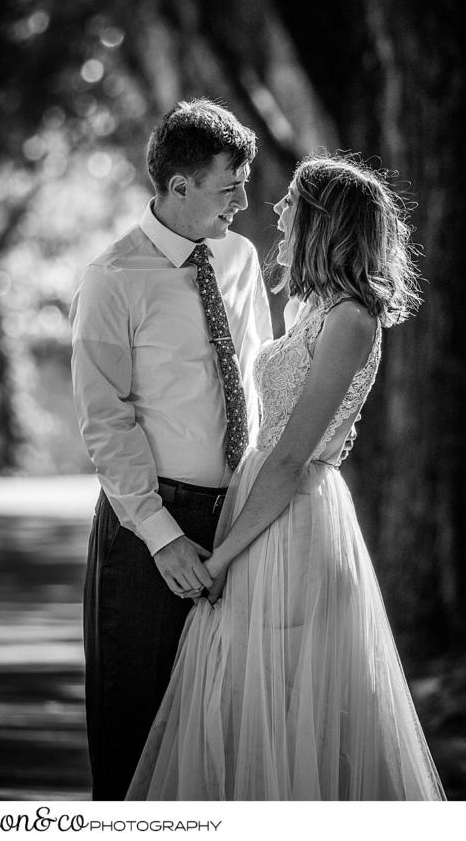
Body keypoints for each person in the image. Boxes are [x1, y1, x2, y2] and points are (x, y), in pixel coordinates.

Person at [126, 152, 446, 801]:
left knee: (279, 698)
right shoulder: (311, 306)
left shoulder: (351, 318)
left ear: (324, 220)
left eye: (292, 201)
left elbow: (293, 456)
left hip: (293, 516)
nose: (277, 209)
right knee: (250, 698)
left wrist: (219, 561)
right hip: (265, 501)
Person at [70, 99, 273, 800]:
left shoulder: (241, 259)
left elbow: (257, 375)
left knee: (223, 743)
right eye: (227, 188)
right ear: (176, 186)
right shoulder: (111, 280)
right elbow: (104, 421)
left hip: (241, 520)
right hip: (149, 532)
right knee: (134, 743)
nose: (242, 204)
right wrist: (162, 537)